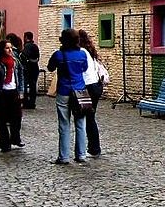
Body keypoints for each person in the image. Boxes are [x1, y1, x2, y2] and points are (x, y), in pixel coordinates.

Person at [47, 28, 89, 164]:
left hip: (64, 91)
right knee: (80, 123)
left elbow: (50, 68)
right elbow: (84, 68)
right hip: (80, 91)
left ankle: (64, 157)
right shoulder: (82, 55)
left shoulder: (59, 55)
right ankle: (81, 154)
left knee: (64, 124)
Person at [0, 40, 25, 153]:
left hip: (14, 92)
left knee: (16, 118)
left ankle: (15, 138)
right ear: (2, 50)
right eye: (7, 48)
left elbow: (21, 76)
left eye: (11, 48)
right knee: (1, 120)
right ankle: (5, 144)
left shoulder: (16, 62)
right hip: (1, 93)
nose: (10, 50)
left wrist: (21, 91)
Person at [79, 29, 103, 158]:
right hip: (95, 86)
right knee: (90, 117)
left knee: (89, 118)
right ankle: (93, 147)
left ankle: (94, 148)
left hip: (88, 87)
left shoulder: (82, 52)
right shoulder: (90, 51)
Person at [21, 31, 41, 109]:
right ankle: (32, 102)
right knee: (33, 86)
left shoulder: (27, 46)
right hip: (35, 68)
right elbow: (37, 57)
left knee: (25, 85)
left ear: (26, 37)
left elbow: (24, 56)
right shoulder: (35, 46)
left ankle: (26, 102)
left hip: (28, 68)